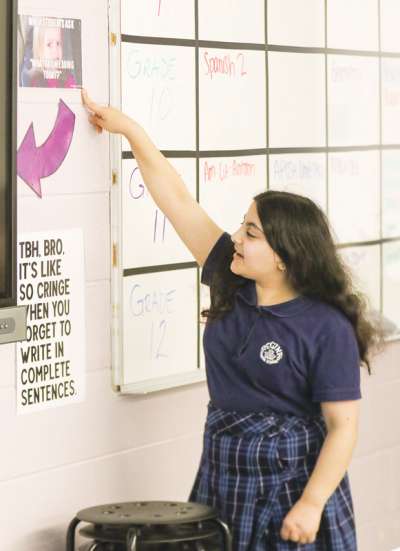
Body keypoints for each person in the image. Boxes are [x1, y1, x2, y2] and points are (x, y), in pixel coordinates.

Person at [81, 89, 386, 550]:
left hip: (295, 485)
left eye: (251, 232)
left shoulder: (327, 327)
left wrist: (312, 502)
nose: (237, 238)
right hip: (224, 469)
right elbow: (177, 200)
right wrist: (130, 131)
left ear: (285, 257)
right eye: (242, 225)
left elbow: (344, 427)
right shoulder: (229, 275)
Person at [21, 24, 76, 89]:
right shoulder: (37, 83)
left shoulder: (67, 79)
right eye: (49, 44)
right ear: (39, 51)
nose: (56, 50)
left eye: (58, 43)